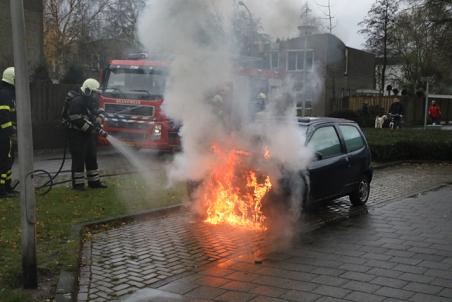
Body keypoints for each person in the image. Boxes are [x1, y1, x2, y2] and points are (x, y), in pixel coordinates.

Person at [64, 78, 108, 190]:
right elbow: (76, 119)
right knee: (79, 159)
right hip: (76, 136)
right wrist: (92, 128)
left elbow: (98, 112)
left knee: (91, 157)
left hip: (87, 135)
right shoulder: (77, 102)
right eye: (95, 93)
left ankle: (94, 182)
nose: (96, 96)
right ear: (88, 91)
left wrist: (99, 118)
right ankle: (78, 185)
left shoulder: (89, 101)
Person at [0, 67, 16, 198]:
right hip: (3, 134)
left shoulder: (9, 93)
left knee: (9, 160)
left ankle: (7, 186)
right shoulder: (5, 94)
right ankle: (1, 190)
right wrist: (10, 130)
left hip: (6, 134)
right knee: (3, 160)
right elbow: (4, 115)